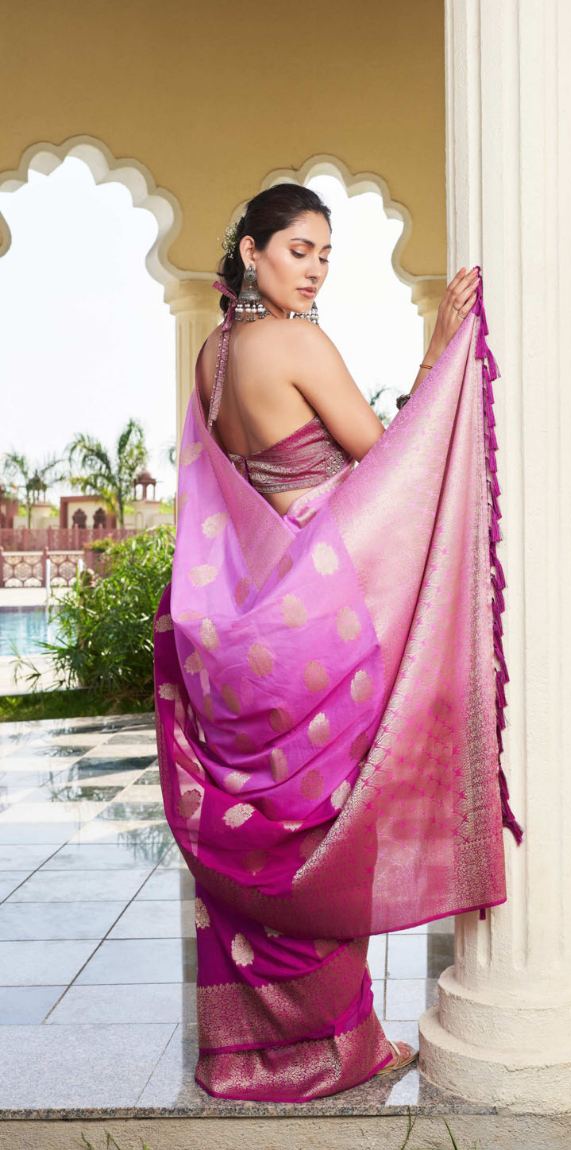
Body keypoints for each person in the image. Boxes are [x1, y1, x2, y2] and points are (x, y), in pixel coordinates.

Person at [154, 183, 518, 1103]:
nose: (314, 268)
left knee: (278, 840)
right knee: (329, 832)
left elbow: (236, 486)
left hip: (244, 624)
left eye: (324, 255)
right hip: (317, 614)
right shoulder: (296, 341)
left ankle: (258, 1050)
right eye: (298, 249)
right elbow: (380, 454)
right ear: (248, 250)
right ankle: (334, 1047)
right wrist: (440, 363)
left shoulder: (212, 355)